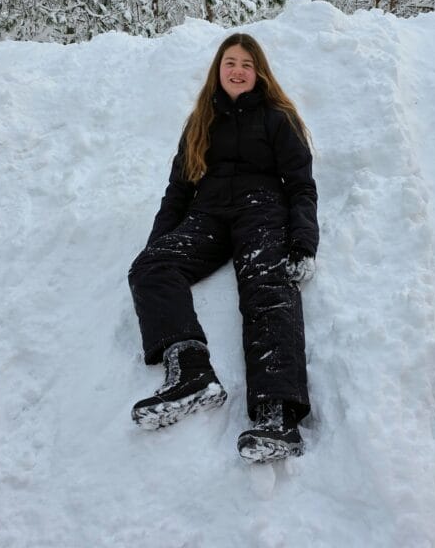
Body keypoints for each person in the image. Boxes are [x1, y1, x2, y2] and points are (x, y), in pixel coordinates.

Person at [128, 32, 318, 463]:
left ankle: (277, 416)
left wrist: (303, 240)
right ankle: (191, 372)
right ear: (218, 69)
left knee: (268, 288)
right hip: (208, 215)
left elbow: (302, 186)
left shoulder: (277, 118)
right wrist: (158, 248)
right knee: (149, 268)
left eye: (247, 64)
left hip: (261, 210)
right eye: (230, 62)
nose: (238, 70)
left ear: (259, 73)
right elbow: (177, 192)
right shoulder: (200, 120)